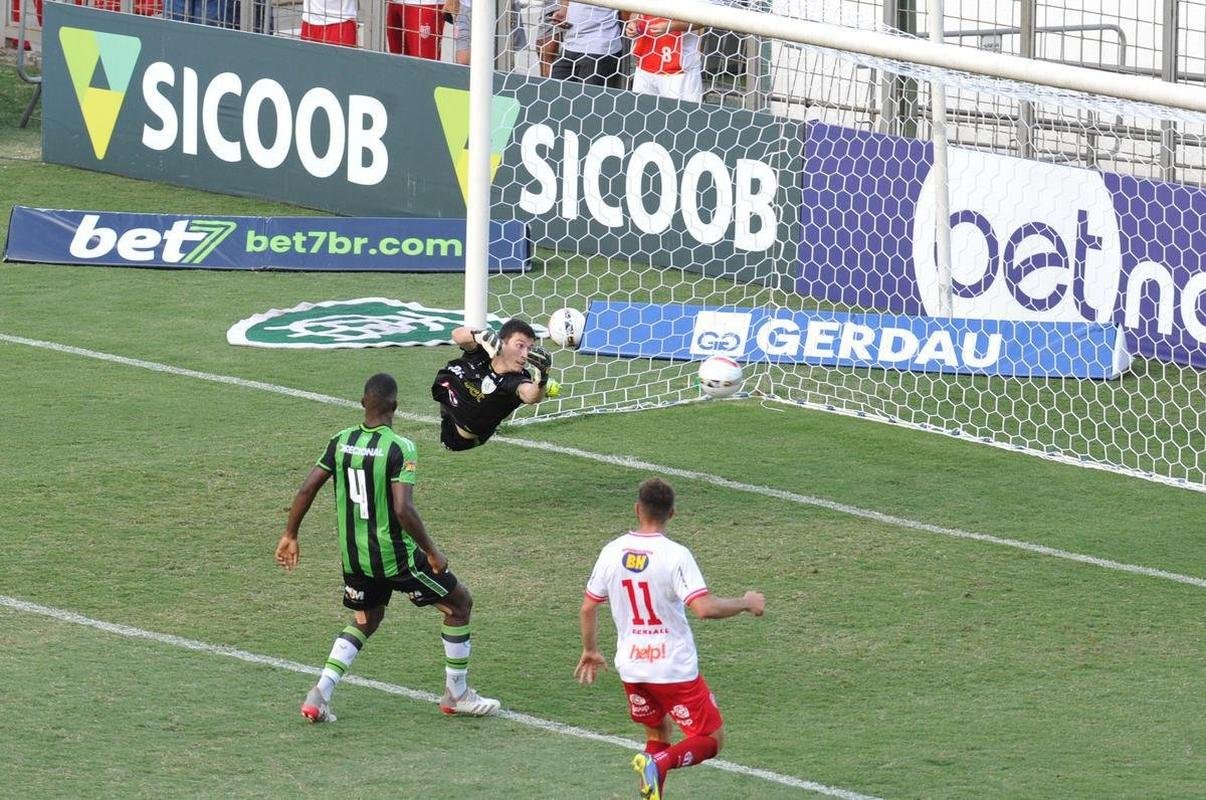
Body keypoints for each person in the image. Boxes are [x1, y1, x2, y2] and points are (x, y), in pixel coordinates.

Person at [276, 373, 500, 721]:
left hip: (355, 558)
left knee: (367, 618)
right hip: (395, 558)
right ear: (395, 406)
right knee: (459, 603)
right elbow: (402, 509)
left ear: (363, 402)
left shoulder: (340, 441)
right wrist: (431, 551)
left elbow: (307, 489)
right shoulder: (400, 447)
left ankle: (319, 694)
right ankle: (456, 694)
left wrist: (291, 534)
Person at [574, 478, 765, 800]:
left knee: (658, 729)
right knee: (711, 738)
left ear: (637, 510)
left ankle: (652, 787)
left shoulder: (611, 551)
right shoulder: (675, 555)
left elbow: (588, 607)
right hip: (673, 668)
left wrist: (591, 650)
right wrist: (746, 602)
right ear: (672, 513)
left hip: (632, 667)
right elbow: (704, 608)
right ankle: (659, 763)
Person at [430, 318, 553, 451]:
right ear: (503, 343)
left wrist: (542, 378)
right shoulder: (483, 350)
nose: (525, 355)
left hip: (458, 437)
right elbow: (456, 335)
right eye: (520, 346)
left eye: (529, 349)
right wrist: (479, 336)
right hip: (450, 403)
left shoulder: (516, 379)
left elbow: (530, 396)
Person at [624, 13, 705, 103]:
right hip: (645, 63)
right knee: (642, 111)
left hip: (679, 70)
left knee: (680, 114)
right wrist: (633, 22)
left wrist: (670, 26)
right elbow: (635, 10)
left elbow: (704, 18)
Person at [548, 0, 624, 88]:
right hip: (570, 44)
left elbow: (626, 13)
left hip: (599, 48)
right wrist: (564, 10)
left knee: (587, 99)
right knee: (555, 93)